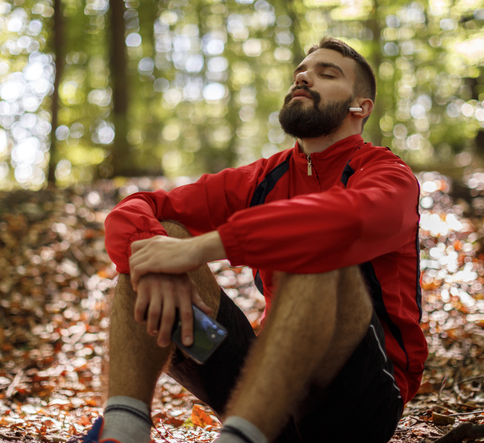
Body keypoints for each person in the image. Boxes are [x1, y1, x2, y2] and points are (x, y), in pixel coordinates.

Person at [78, 37, 427, 443]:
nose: (303, 78)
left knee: (315, 250)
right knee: (156, 238)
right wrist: (160, 264)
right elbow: (139, 207)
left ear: (360, 107)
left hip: (359, 400)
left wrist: (201, 247)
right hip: (267, 395)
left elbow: (344, 223)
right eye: (301, 72)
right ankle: (122, 431)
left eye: (326, 74)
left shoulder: (387, 173)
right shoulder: (265, 176)